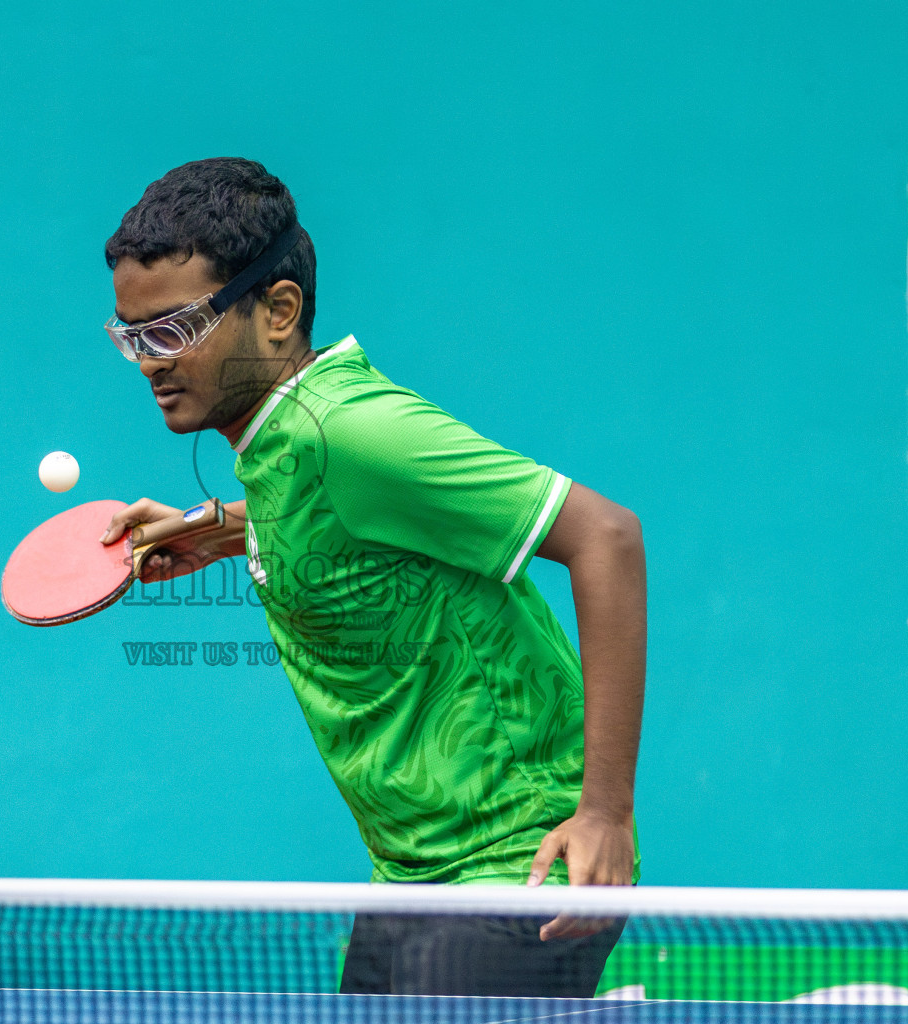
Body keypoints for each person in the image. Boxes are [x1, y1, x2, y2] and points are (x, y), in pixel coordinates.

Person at [98, 158, 646, 997]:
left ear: (277, 311)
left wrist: (603, 814)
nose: (150, 363)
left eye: (171, 331)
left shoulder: (351, 431)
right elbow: (359, 533)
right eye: (131, 338)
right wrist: (219, 529)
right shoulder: (280, 439)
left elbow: (607, 538)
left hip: (515, 861)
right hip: (410, 872)